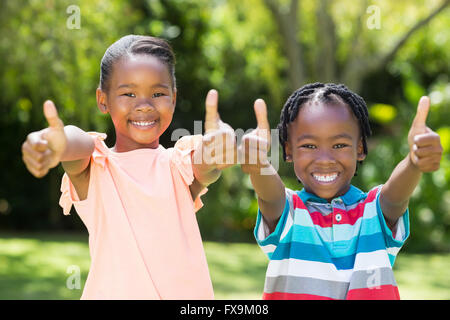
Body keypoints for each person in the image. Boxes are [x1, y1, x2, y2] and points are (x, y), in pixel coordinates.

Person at [21, 35, 236, 299]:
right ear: (103, 100)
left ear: (173, 98)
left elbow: (205, 163)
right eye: (128, 93)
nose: (144, 105)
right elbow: (77, 144)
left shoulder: (178, 166)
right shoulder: (97, 167)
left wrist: (217, 146)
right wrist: (57, 142)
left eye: (158, 93)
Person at [239, 82, 443, 299]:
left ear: (360, 148)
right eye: (309, 146)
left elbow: (395, 197)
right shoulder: (289, 212)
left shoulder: (373, 212)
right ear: (289, 151)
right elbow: (270, 197)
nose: (325, 160)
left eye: (339, 146)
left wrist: (414, 161)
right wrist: (259, 165)